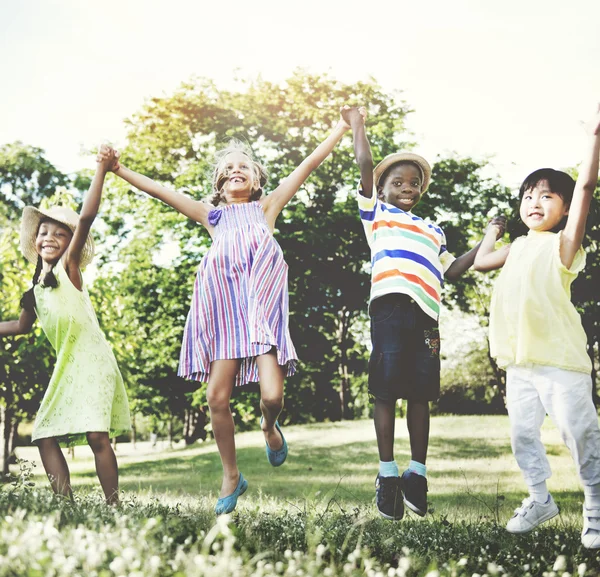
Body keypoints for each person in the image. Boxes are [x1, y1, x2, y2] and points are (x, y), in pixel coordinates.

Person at [99, 112, 351, 514]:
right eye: (229, 168)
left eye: (243, 167)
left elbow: (307, 165)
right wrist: (117, 168)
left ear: (256, 179)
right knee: (217, 397)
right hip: (224, 318)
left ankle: (269, 427)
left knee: (272, 395)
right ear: (220, 183)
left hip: (261, 316)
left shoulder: (267, 208)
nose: (236, 171)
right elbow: (162, 191)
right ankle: (231, 475)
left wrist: (341, 128)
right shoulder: (211, 216)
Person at [344, 105, 505, 520]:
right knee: (384, 389)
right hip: (391, 308)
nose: (408, 187)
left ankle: (416, 474)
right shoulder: (376, 215)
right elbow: (364, 164)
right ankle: (387, 473)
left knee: (421, 393)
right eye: (397, 182)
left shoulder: (433, 229)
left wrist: (489, 236)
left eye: (414, 183)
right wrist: (357, 124)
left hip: (427, 317)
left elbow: (452, 269)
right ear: (380, 190)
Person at [473, 104, 600, 548]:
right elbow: (482, 261)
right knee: (522, 435)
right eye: (529, 195)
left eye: (547, 196)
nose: (535, 202)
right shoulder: (517, 246)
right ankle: (540, 498)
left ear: (564, 211)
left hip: (560, 361)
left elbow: (586, 186)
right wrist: (492, 228)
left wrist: (594, 138)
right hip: (520, 361)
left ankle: (596, 506)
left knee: (579, 434)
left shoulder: (564, 246)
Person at [0, 146, 131, 504]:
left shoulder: (69, 268)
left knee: (96, 436)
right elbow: (20, 327)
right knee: (44, 433)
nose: (50, 239)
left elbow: (86, 218)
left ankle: (114, 504)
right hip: (67, 366)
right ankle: (66, 504)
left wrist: (102, 170)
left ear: (69, 243)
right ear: (34, 239)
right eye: (44, 232)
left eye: (60, 234)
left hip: (93, 360)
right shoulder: (34, 291)